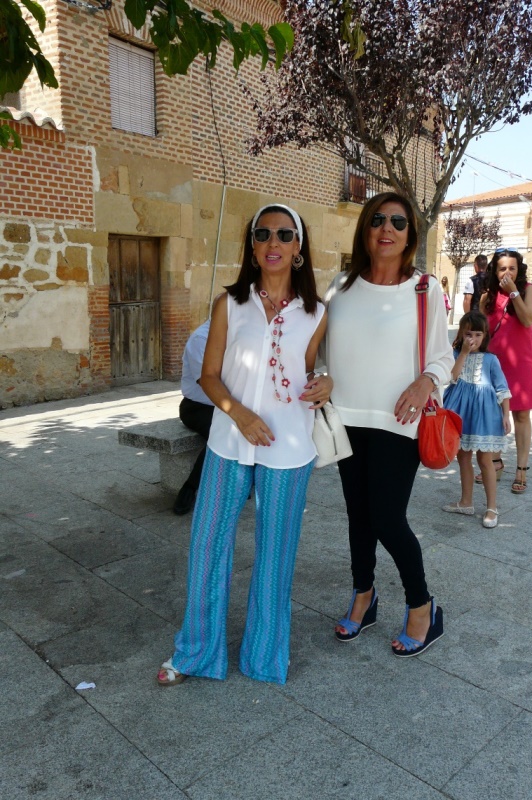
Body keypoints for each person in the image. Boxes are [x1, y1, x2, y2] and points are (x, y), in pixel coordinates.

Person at [157, 203, 332, 686]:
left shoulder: (316, 313)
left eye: (284, 235)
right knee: (207, 548)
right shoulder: (229, 305)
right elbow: (208, 376)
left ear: (298, 247)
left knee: (276, 557)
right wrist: (239, 414)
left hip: (289, 449)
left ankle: (265, 656)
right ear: (252, 247)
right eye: (263, 234)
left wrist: (326, 382)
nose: (273, 243)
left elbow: (312, 370)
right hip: (227, 445)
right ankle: (196, 653)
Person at [324, 191, 453, 657]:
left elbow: (443, 356)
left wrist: (425, 381)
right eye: (378, 219)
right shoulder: (340, 286)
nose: (387, 228)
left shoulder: (424, 289)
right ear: (365, 228)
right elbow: (320, 353)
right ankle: (364, 596)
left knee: (386, 517)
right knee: (358, 515)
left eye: (398, 222)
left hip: (399, 421)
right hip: (346, 418)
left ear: (410, 235)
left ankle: (422, 606)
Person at [441, 311, 512, 528]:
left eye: (478, 334)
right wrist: (463, 353)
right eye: (468, 334)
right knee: (462, 456)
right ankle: (466, 502)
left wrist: (506, 415)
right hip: (460, 412)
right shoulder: (454, 354)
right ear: (461, 334)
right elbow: (451, 377)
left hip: (484, 413)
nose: (472, 338)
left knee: (485, 460)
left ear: (485, 336)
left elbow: (502, 388)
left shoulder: (491, 360)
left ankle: (492, 507)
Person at [478, 248, 532, 493]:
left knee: (521, 415)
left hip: (522, 361)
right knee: (493, 413)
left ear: (518, 270)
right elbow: (481, 331)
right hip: (494, 363)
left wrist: (513, 292)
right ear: (494, 270)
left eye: (512, 268)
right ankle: (495, 462)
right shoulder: (487, 296)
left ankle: (521, 469)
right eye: (502, 268)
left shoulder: (528, 290)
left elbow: (527, 319)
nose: (507, 272)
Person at [172, 319, 215, 515]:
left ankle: (243, 482)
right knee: (224, 434)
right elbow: (207, 382)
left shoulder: (233, 335)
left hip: (224, 406)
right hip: (197, 407)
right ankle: (190, 488)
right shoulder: (201, 338)